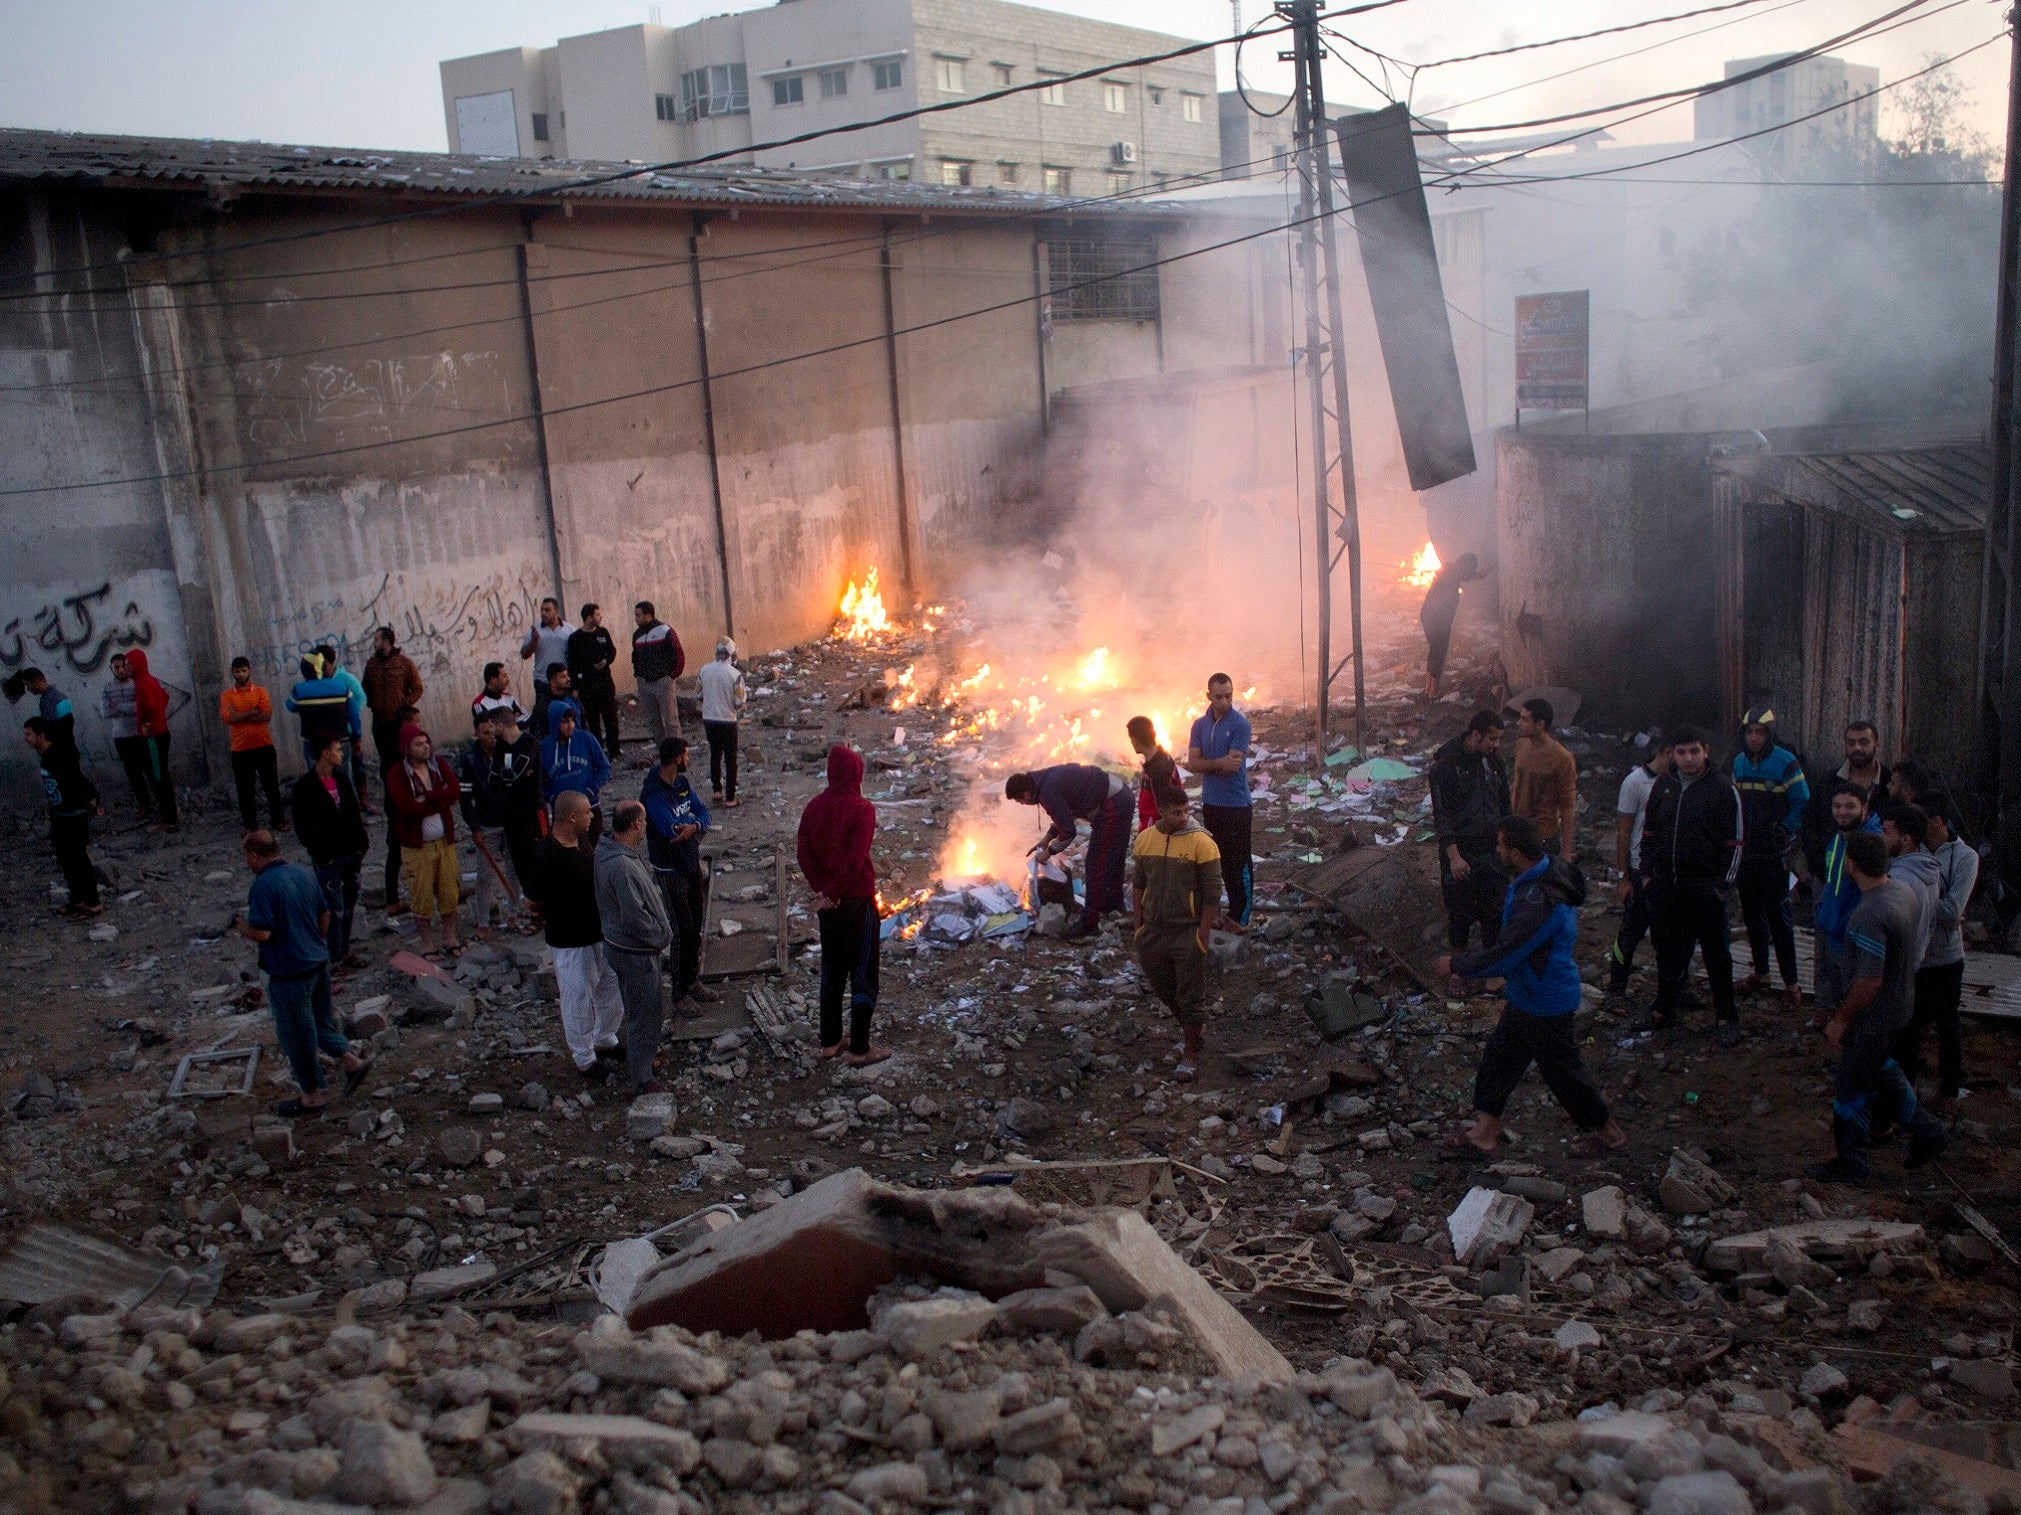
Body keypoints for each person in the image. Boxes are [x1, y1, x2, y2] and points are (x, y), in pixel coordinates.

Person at [1436, 815, 1627, 1159]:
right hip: (1529, 995)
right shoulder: (1543, 874)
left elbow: (1506, 955)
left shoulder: (1540, 903)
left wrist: (1456, 965)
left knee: (1564, 1074)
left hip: (1545, 1000)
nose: (1496, 850)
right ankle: (1485, 1133)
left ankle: (1610, 1135)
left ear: (1516, 851)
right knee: (1499, 1060)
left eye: (1501, 845)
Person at [1807, 830, 1949, 1186]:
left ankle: (1852, 1162)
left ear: (1850, 866)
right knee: (1881, 1068)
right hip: (1900, 1005)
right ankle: (1928, 1130)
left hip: (1873, 1014)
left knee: (1850, 1087)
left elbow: (1869, 980)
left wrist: (1841, 1020)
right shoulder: (1903, 891)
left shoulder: (1869, 913)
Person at [234, 829, 367, 1119]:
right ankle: (351, 1061)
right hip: (317, 963)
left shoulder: (263, 886)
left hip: (288, 972)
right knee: (320, 1022)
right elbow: (326, 914)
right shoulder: (303, 873)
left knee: (296, 1033)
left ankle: (311, 1095)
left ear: (255, 856)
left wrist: (243, 928)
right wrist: (316, 944)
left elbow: (264, 932)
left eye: (247, 857)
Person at [1639, 726, 1744, 1045]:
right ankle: (1664, 1009)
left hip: (1705, 888)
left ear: (1706, 752)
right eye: (1681, 752)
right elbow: (1650, 833)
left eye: (1694, 751)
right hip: (1668, 886)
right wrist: (1646, 873)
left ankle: (1726, 1017)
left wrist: (1721, 886)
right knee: (1670, 951)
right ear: (1672, 754)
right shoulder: (1664, 786)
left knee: (1716, 955)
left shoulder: (1723, 790)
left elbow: (1735, 842)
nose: (1687, 758)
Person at [797, 743, 888, 1065]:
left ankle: (830, 1043)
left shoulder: (813, 807)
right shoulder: (862, 809)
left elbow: (803, 853)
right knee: (863, 973)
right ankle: (860, 1049)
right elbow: (855, 859)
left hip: (828, 907)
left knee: (832, 974)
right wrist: (834, 891)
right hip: (857, 901)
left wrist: (822, 891)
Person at [524, 790, 624, 1082]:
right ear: (572, 816)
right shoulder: (546, 854)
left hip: (598, 933)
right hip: (569, 941)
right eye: (587, 813)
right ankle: (584, 1057)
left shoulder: (584, 842)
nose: (592, 817)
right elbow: (532, 901)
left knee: (609, 986)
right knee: (577, 997)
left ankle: (605, 1038)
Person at [1132, 783, 1221, 1081]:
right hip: (1153, 932)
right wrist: (1138, 925)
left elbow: (1212, 895)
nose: (1184, 816)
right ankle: (1192, 1031)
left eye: (1186, 810)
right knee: (1164, 988)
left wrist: (1203, 934)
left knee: (1190, 994)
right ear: (1161, 812)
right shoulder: (1145, 840)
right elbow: (1138, 884)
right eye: (1176, 812)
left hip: (1187, 932)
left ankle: (1190, 1052)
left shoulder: (1202, 843)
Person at [1896, 792, 1977, 1110]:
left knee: (1947, 1025)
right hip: (1913, 955)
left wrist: (1915, 903)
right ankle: (1905, 1091)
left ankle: (1949, 1089)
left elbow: (1954, 906)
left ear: (1936, 822)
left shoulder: (1965, 857)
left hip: (1945, 957)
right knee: (1908, 1025)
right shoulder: (1909, 850)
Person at [1731, 705, 1809, 1007]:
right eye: (1749, 732)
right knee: (1751, 916)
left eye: (1760, 732)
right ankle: (1761, 973)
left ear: (1770, 734)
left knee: (1779, 918)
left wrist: (1785, 829)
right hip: (1746, 854)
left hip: (1773, 855)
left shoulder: (1786, 763)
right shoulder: (1738, 763)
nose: (1754, 738)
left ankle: (1792, 984)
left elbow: (1802, 800)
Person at [595, 798, 673, 1096]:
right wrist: (661, 937)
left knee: (636, 1008)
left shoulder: (608, 853)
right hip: (635, 951)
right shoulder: (622, 866)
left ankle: (642, 1061)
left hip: (621, 946)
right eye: (643, 821)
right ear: (636, 824)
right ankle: (641, 1079)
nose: (646, 827)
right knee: (646, 1012)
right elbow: (636, 917)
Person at [1430, 710, 1512, 985]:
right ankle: (1457, 970)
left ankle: (1493, 971)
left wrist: (1508, 847)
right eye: (1492, 738)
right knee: (1460, 914)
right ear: (1476, 735)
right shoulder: (1446, 766)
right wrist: (1454, 857)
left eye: (1499, 739)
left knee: (1494, 912)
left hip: (1492, 851)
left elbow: (1505, 807)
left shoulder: (1495, 763)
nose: (1496, 745)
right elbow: (1442, 816)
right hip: (1461, 852)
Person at [1005, 763, 1134, 939]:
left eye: (1019, 800)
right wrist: (1045, 840)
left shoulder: (1046, 791)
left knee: (1096, 863)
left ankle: (1089, 923)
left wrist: (1049, 852)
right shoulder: (1043, 780)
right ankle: (1113, 903)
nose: (1022, 803)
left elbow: (1068, 832)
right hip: (1121, 795)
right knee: (1114, 855)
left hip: (1113, 804)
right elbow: (1065, 814)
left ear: (1026, 794)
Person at [642, 736, 720, 1010]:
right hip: (670, 870)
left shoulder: (682, 785)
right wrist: (691, 827)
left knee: (695, 925)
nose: (688, 760)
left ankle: (692, 980)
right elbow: (669, 829)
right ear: (676, 758)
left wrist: (694, 825)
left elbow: (703, 813)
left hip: (690, 864)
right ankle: (678, 994)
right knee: (681, 930)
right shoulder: (653, 794)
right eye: (685, 755)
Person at [290, 730, 369, 967]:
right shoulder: (304, 787)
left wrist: (360, 846)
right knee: (332, 909)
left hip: (350, 854)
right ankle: (333, 957)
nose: (341, 754)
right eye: (337, 750)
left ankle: (343, 951)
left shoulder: (342, 779)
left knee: (348, 905)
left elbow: (353, 813)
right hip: (328, 858)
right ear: (325, 753)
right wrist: (321, 855)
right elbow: (303, 828)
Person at [386, 723, 463, 958]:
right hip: (416, 847)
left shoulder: (437, 765)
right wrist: (440, 799)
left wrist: (428, 797)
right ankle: (427, 944)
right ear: (407, 748)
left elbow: (455, 791)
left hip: (444, 842)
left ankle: (450, 937)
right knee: (421, 896)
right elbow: (406, 806)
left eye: (426, 742)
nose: (425, 747)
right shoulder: (397, 773)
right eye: (418, 744)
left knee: (449, 893)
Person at [1607, 733, 1672, 1000]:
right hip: (1638, 868)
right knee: (1630, 932)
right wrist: (1623, 877)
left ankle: (1671, 991)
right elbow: (1623, 832)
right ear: (1667, 752)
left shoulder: (1676, 782)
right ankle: (1616, 989)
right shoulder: (1635, 782)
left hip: (1666, 870)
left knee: (1668, 933)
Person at [1187, 674, 1253, 929]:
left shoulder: (1240, 725)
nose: (1224, 701)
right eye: (1218, 696)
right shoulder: (1199, 725)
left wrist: (1208, 765)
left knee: (1239, 862)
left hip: (1236, 804)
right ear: (1208, 696)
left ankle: (1241, 917)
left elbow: (1232, 767)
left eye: (1228, 695)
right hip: (1211, 803)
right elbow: (1192, 763)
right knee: (1218, 861)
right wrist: (1216, 763)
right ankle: (1223, 912)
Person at [1813, 784, 1883, 1024]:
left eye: (1850, 806)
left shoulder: (1871, 843)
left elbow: (1873, 892)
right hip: (1832, 929)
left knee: (1856, 1002)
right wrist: (1823, 913)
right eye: (1837, 806)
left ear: (1864, 808)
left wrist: (1848, 921)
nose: (1842, 812)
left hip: (1853, 933)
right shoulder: (1837, 840)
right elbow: (1831, 885)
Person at [25, 715, 100, 918]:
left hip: (73, 815)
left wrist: (92, 798)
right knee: (66, 859)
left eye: (29, 734)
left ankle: (93, 903)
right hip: (60, 815)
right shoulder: (45, 754)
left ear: (41, 735)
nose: (26, 738)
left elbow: (77, 778)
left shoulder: (58, 755)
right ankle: (77, 900)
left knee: (78, 859)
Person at [460, 714, 521, 934]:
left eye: (493, 732)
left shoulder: (507, 752)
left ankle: (513, 914)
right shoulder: (469, 760)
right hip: (486, 824)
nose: (491, 737)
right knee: (485, 875)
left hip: (511, 822)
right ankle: (483, 922)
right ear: (477, 733)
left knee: (513, 871)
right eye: (485, 732)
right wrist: (475, 828)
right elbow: (465, 799)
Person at [219, 657, 287, 834]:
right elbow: (228, 718)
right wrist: (252, 712)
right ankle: (250, 825)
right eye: (237, 671)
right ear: (232, 672)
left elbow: (266, 715)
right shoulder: (227, 695)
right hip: (240, 749)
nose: (241, 674)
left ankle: (278, 820)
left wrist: (239, 715)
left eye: (243, 670)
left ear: (249, 670)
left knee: (271, 787)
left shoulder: (260, 692)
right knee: (245, 791)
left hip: (263, 745)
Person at [1508, 696, 1576, 858]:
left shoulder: (1562, 758)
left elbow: (1567, 807)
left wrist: (1566, 852)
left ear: (1540, 724)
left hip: (1542, 837)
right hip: (1516, 830)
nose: (1518, 723)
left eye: (1524, 719)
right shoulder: (1522, 745)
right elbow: (1517, 784)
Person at [490, 707, 546, 897]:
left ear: (500, 725)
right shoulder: (501, 746)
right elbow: (494, 778)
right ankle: (533, 903)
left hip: (533, 813)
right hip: (511, 816)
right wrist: (509, 776)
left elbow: (516, 774)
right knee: (520, 861)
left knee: (540, 857)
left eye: (491, 726)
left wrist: (509, 776)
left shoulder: (529, 743)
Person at [125, 648, 178, 829]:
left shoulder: (143, 684)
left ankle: (169, 819)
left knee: (158, 777)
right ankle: (169, 816)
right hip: (158, 735)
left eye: (129, 664)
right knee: (160, 775)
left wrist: (149, 724)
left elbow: (153, 705)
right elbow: (164, 697)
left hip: (154, 738)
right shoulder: (147, 680)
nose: (127, 668)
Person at [362, 627, 423, 783]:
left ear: (386, 642)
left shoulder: (404, 663)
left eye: (376, 640)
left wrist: (404, 705)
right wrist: (373, 704)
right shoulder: (371, 664)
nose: (374, 643)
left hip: (397, 722)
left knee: (398, 758)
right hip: (379, 722)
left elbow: (417, 688)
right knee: (385, 758)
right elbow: (365, 689)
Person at [1420, 551, 1484, 699]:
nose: (1470, 571)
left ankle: (1428, 688)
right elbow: (1480, 575)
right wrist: (1497, 563)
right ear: (1466, 565)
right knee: (1439, 652)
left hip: (1428, 615)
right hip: (1439, 619)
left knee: (1434, 651)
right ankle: (1433, 692)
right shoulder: (1456, 571)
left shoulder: (1449, 570)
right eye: (1471, 567)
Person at [540, 706, 612, 835]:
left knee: (594, 848)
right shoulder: (544, 747)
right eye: (565, 721)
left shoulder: (586, 738)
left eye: (572, 720)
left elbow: (604, 767)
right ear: (555, 722)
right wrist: (551, 797)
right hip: (563, 813)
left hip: (589, 808)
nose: (570, 725)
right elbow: (540, 781)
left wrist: (592, 788)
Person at [287, 651, 360, 772]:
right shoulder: (342, 687)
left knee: (318, 781)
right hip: (341, 740)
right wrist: (357, 736)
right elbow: (354, 714)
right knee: (344, 778)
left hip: (313, 743)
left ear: (305, 670)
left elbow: (290, 706)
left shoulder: (299, 690)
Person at [314, 644, 371, 797]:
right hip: (329, 732)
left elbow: (361, 698)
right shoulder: (318, 680)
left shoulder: (346, 678)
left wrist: (346, 714)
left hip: (348, 731)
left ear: (325, 662)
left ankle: (361, 800)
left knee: (356, 765)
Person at [105, 652, 154, 823]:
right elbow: (106, 711)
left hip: (139, 734)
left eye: (122, 666)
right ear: (111, 669)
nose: (120, 670)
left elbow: (140, 707)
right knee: (133, 772)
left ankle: (159, 803)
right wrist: (129, 707)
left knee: (150, 769)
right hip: (121, 737)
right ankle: (144, 805)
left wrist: (119, 705)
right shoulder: (107, 688)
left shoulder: (136, 684)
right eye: (116, 667)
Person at [567, 603, 622, 756]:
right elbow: (573, 664)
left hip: (605, 683)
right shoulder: (575, 638)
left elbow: (612, 651)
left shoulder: (603, 633)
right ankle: (597, 751)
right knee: (592, 721)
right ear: (589, 617)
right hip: (587, 686)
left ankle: (615, 750)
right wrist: (575, 688)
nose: (600, 617)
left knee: (611, 718)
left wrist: (606, 661)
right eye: (597, 614)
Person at [698, 637, 747, 806]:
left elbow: (699, 695)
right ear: (731, 654)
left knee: (715, 754)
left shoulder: (704, 670)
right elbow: (739, 702)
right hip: (727, 720)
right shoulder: (735, 674)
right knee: (730, 759)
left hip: (709, 719)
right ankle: (731, 797)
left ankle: (716, 790)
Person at [631, 601, 686, 751]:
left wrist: (671, 676)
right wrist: (638, 676)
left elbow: (678, 655)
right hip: (644, 683)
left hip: (663, 682)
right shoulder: (637, 635)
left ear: (648, 615)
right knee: (654, 721)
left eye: (638, 615)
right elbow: (635, 657)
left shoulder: (665, 631)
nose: (636, 618)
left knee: (671, 720)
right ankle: (663, 752)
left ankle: (678, 753)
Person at [519, 597, 576, 738]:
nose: (543, 613)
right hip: (543, 681)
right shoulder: (535, 631)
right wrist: (533, 641)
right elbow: (524, 654)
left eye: (547, 610)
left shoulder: (569, 630)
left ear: (556, 611)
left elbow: (575, 654)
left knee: (566, 714)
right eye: (542, 610)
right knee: (544, 716)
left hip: (564, 682)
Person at [1127, 716, 1181, 833]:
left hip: (1155, 833)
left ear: (1135, 741)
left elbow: (1165, 811)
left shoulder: (1157, 771)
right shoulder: (1163, 756)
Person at [6, 667, 77, 751]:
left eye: (28, 685)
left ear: (36, 681)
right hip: (68, 750)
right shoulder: (58, 696)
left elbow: (50, 733)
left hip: (59, 754)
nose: (28, 689)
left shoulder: (47, 701)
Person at [471, 662, 527, 728]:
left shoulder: (509, 698)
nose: (508, 680)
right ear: (493, 680)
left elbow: (526, 716)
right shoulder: (479, 703)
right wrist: (513, 721)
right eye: (504, 676)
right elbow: (486, 729)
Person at [544, 663, 585, 728]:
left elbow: (584, 725)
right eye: (563, 676)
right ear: (552, 680)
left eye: (567, 675)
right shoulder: (545, 705)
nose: (568, 679)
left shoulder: (573, 700)